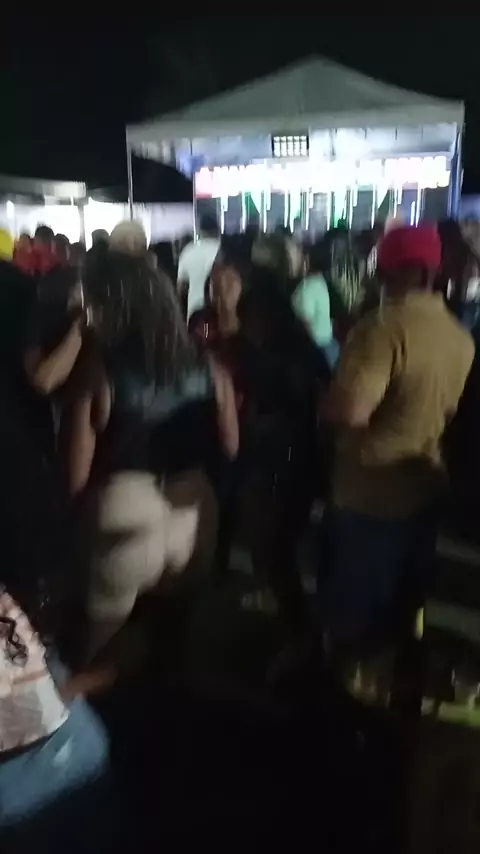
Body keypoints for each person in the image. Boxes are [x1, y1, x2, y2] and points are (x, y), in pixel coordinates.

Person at [60, 248, 237, 657]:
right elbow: (230, 447)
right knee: (171, 648)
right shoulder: (208, 366)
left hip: (122, 512)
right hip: (192, 513)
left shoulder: (99, 370)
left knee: (101, 653)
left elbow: (75, 475)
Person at [321, 224, 474, 651]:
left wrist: (324, 405)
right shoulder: (460, 335)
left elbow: (350, 412)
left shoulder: (382, 329)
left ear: (393, 272)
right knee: (407, 603)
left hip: (371, 494)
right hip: (426, 485)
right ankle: (401, 675)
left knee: (357, 616)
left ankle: (354, 683)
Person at [292, 241, 339, 367]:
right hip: (330, 345)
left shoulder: (307, 287)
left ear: (307, 261)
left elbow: (305, 322)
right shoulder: (321, 282)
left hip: (317, 349)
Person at [177, 214, 221, 319]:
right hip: (218, 313)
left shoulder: (188, 251)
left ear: (200, 231)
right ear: (218, 230)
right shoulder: (222, 251)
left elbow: (181, 288)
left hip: (194, 313)